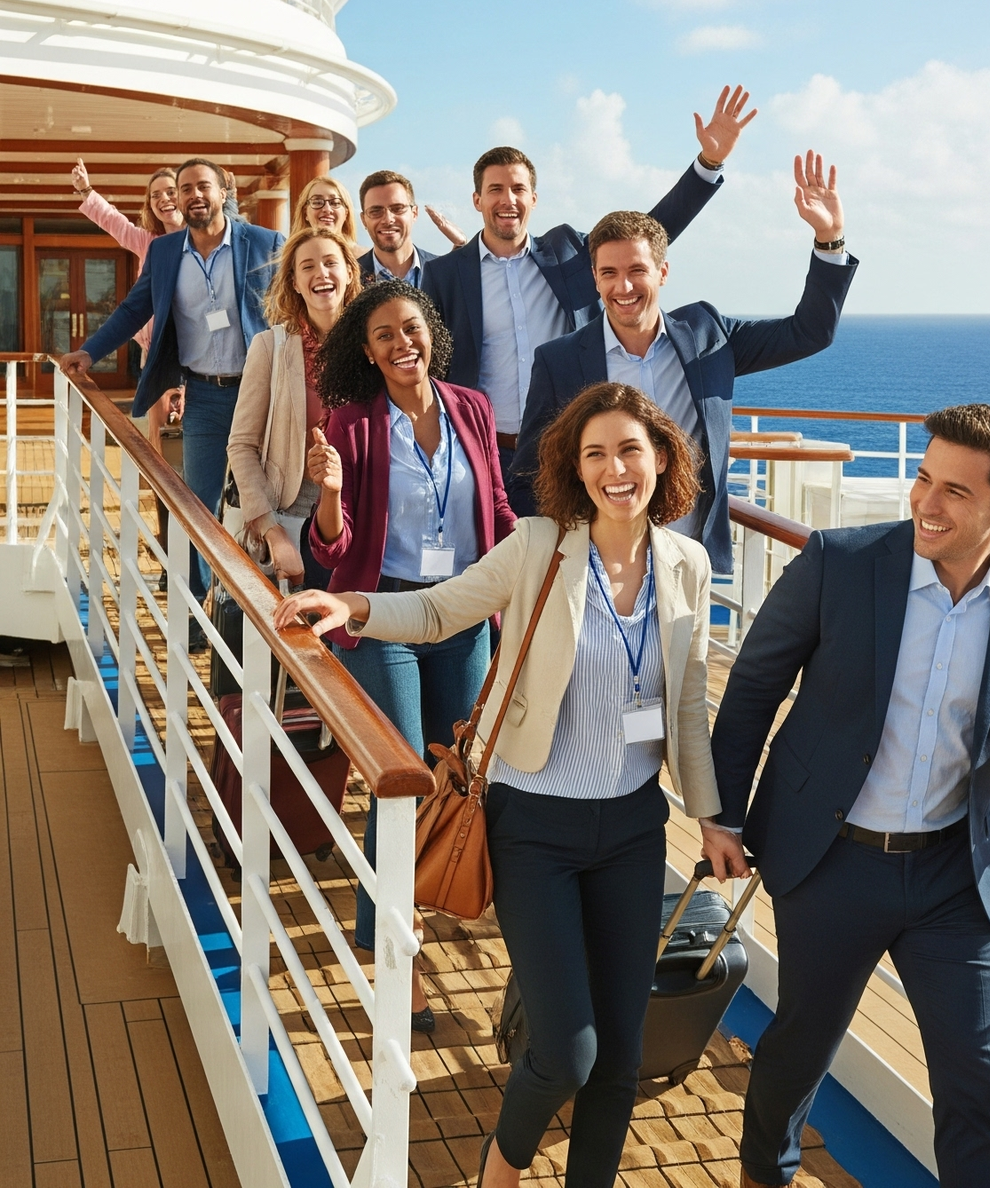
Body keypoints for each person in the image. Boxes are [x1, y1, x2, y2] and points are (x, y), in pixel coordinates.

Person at [278, 382, 719, 1188]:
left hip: (631, 832)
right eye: (596, 454)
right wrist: (351, 606)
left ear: (661, 457)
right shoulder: (541, 546)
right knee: (565, 1051)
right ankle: (501, 1171)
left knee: (621, 1054)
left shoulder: (688, 563)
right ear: (574, 468)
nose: (615, 468)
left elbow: (686, 704)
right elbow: (443, 610)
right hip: (533, 827)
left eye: (630, 450)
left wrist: (715, 820)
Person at [706, 403, 990, 1188]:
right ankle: (763, 1178)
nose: (926, 502)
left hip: (954, 875)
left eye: (954, 491)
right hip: (830, 862)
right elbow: (751, 689)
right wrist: (722, 817)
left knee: (976, 1081)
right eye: (923, 478)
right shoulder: (838, 563)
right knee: (799, 1048)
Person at [304, 279, 517, 971]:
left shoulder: (472, 409)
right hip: (383, 615)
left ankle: (427, 898)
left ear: (432, 333)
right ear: (367, 353)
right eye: (385, 336)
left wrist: (546, 562)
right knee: (402, 783)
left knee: (459, 774)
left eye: (411, 328)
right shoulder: (352, 424)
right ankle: (384, 942)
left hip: (462, 614)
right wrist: (331, 494)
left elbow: (498, 508)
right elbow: (330, 548)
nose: (402, 343)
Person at [509, 151, 856, 568]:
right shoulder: (559, 361)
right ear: (595, 277)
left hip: (688, 561)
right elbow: (530, 475)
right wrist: (552, 559)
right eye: (608, 273)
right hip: (596, 567)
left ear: (663, 272)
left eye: (637, 270)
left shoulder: (709, 336)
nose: (623, 286)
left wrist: (829, 239)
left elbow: (810, 331)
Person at [423, 85, 755, 474]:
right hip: (481, 451)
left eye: (518, 189)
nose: (507, 200)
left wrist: (708, 164)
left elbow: (650, 231)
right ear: (477, 200)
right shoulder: (443, 274)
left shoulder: (567, 253)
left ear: (534, 199)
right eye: (495, 189)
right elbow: (430, 366)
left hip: (574, 450)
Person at [60, 159, 282, 598]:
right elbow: (133, 309)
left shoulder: (264, 242)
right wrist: (90, 351)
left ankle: (264, 606)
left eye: (204, 186)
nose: (194, 195)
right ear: (178, 198)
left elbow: (296, 306)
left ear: (223, 192)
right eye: (186, 188)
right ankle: (198, 610)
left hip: (264, 393)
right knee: (198, 506)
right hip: (204, 394)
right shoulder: (163, 252)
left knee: (271, 499)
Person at [229, 226, 363, 589]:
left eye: (331, 262)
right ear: (294, 282)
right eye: (308, 266)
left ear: (349, 272)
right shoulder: (269, 347)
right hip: (290, 515)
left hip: (359, 517)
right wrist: (272, 531)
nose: (321, 273)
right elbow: (241, 446)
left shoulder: (372, 346)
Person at [68, 159, 179, 430]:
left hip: (195, 356)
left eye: (171, 191)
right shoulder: (148, 242)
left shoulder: (203, 241)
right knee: (160, 433)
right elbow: (115, 223)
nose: (163, 199)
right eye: (155, 195)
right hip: (155, 353)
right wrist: (86, 191)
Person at [358, 169, 452, 285]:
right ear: (363, 220)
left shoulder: (444, 272)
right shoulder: (349, 278)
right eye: (376, 211)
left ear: (414, 213)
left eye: (397, 209)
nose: (388, 219)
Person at [293, 175, 361, 256]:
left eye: (335, 203)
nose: (327, 209)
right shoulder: (291, 260)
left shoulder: (365, 261)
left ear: (346, 213)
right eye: (317, 202)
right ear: (305, 213)